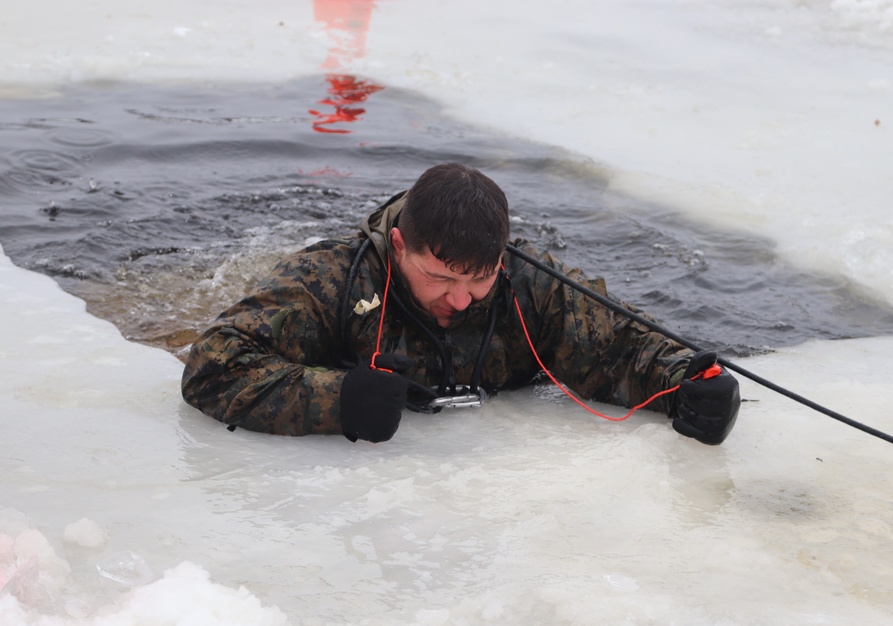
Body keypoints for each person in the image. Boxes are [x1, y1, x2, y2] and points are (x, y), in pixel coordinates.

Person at [181, 163, 740, 444]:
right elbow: (214, 365)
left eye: (479, 278)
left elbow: (623, 347)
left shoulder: (528, 284)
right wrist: (339, 400)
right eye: (440, 276)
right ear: (400, 246)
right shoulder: (330, 279)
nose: (461, 298)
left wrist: (689, 388)